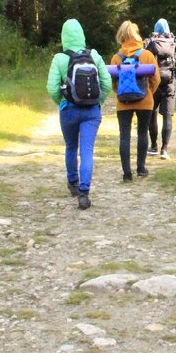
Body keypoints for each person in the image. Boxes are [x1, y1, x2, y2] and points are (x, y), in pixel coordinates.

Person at [46, 18, 112, 210]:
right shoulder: (95, 56)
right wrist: (97, 102)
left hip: (69, 111)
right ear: (82, 35)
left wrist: (63, 102)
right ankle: (84, 193)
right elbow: (106, 83)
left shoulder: (59, 59)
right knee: (87, 151)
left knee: (70, 147)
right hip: (91, 111)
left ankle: (72, 183)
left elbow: (51, 88)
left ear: (63, 37)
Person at [109, 20, 162, 180]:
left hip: (123, 103)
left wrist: (120, 92)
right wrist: (148, 92)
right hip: (145, 101)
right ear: (137, 36)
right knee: (142, 133)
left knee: (124, 136)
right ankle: (141, 168)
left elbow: (112, 82)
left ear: (121, 37)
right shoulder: (147, 55)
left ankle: (127, 173)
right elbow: (156, 79)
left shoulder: (116, 58)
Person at [146, 18, 176, 159]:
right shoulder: (175, 43)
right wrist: (175, 82)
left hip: (153, 83)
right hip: (170, 83)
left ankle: (153, 146)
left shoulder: (150, 43)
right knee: (167, 116)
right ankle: (164, 150)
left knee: (151, 114)